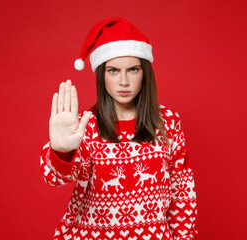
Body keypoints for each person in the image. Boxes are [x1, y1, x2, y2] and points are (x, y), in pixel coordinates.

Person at [40, 17, 198, 240]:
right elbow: (55, 178)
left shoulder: (168, 122)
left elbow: (182, 195)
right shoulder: (85, 126)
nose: (124, 81)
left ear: (145, 73)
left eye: (133, 69)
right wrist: (61, 150)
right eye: (113, 71)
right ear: (101, 75)